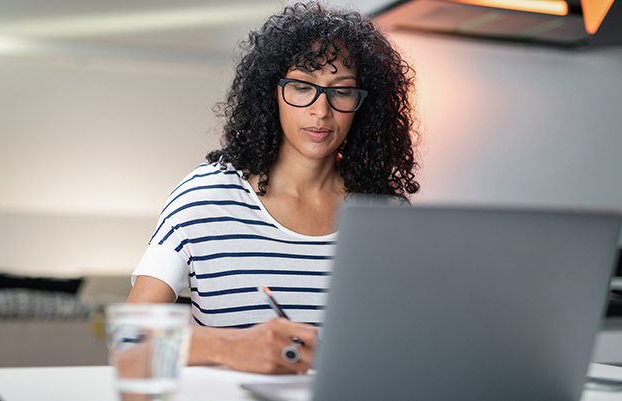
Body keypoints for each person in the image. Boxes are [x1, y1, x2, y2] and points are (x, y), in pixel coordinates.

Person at [126, 1, 419, 374]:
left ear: (363, 104)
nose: (321, 111)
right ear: (271, 92)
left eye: (341, 92)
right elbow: (130, 339)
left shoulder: (387, 213)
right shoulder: (204, 197)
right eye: (301, 87)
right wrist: (230, 347)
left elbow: (407, 342)